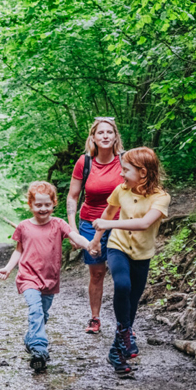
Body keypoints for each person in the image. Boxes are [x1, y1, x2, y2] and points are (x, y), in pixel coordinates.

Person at [0, 181, 96, 371]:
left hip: (50, 279)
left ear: (54, 204)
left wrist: (89, 245)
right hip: (28, 278)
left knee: (43, 314)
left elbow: (75, 237)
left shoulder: (58, 224)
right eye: (38, 205)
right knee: (35, 311)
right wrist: (8, 268)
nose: (43, 209)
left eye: (47, 205)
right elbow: (18, 250)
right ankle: (40, 349)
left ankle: (30, 338)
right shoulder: (24, 227)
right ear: (31, 205)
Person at [89, 147, 170, 376]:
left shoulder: (161, 197)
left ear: (143, 172)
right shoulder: (120, 190)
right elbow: (107, 214)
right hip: (118, 247)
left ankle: (116, 350)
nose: (121, 174)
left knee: (132, 303)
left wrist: (108, 225)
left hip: (142, 255)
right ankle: (125, 334)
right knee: (122, 285)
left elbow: (145, 223)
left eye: (125, 170)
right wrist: (96, 241)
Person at [66, 117, 125, 334]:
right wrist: (72, 229)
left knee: (122, 274)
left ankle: (124, 324)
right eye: (100, 133)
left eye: (109, 132)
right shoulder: (85, 162)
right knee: (97, 273)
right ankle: (95, 318)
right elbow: (73, 196)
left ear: (116, 136)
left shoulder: (125, 161)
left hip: (120, 224)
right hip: (90, 223)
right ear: (93, 137)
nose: (105, 136)